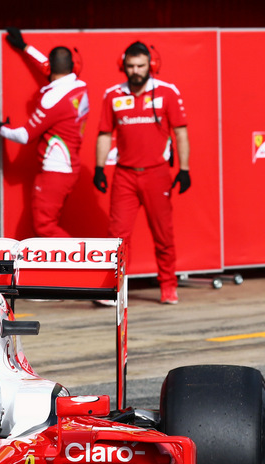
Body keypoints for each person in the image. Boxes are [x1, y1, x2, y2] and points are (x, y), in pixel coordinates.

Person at [94, 41, 190, 305]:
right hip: (124, 174)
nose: (136, 71)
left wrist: (184, 169)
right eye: (131, 66)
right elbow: (104, 134)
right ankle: (115, 289)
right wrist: (99, 168)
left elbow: (180, 132)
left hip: (157, 173)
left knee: (163, 233)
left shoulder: (167, 93)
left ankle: (169, 285)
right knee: (118, 236)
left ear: (152, 65)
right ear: (123, 66)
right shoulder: (113, 95)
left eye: (141, 65)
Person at [0, 31, 88, 239]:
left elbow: (25, 136)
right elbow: (49, 66)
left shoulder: (52, 99)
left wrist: (0, 129)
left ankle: (78, 265)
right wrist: (24, 47)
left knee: (44, 227)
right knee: (49, 225)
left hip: (54, 172)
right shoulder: (79, 86)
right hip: (68, 168)